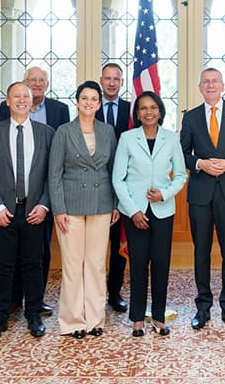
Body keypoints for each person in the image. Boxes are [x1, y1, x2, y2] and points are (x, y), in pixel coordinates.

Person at [0, 81, 56, 341]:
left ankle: (33, 314)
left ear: (32, 101)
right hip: (4, 212)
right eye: (17, 96)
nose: (22, 100)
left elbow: (52, 175)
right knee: (3, 265)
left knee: (33, 264)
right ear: (8, 102)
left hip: (35, 211)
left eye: (27, 96)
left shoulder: (47, 133)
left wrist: (45, 205)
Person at [180, 68, 225, 331]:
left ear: (222, 85)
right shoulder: (190, 117)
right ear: (200, 87)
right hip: (200, 194)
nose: (211, 86)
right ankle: (202, 306)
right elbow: (182, 154)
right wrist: (200, 163)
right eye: (206, 82)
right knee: (201, 251)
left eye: (215, 81)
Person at [0, 66, 70, 317]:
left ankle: (35, 306)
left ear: (46, 85)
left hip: (39, 203)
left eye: (41, 81)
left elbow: (56, 164)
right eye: (31, 81)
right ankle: (11, 303)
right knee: (7, 260)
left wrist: (46, 203)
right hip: (7, 203)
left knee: (37, 256)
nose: (36, 85)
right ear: (9, 100)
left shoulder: (57, 116)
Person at [112, 91, 187, 337]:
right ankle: (136, 319)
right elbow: (118, 179)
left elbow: (180, 175)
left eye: (153, 107)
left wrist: (164, 194)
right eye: (143, 108)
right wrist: (133, 210)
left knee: (161, 265)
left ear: (160, 111)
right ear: (137, 113)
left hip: (163, 211)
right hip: (135, 212)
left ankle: (158, 317)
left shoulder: (171, 138)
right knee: (138, 264)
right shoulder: (127, 138)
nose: (148, 112)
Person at [48, 80, 119, 339]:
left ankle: (95, 319)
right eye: (84, 98)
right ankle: (72, 321)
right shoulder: (64, 132)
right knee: (72, 264)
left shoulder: (108, 131)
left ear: (99, 104)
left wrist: (114, 204)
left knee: (96, 264)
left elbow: (113, 171)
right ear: (76, 102)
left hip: (101, 204)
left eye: (94, 99)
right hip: (70, 207)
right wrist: (58, 209)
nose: (89, 103)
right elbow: (54, 174)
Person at [96, 63, 131, 313]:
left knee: (118, 245)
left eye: (116, 79)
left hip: (125, 187)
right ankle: (95, 293)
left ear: (121, 82)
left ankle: (114, 292)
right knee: (96, 246)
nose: (111, 83)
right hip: (96, 186)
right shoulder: (90, 107)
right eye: (107, 78)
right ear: (101, 80)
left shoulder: (132, 110)